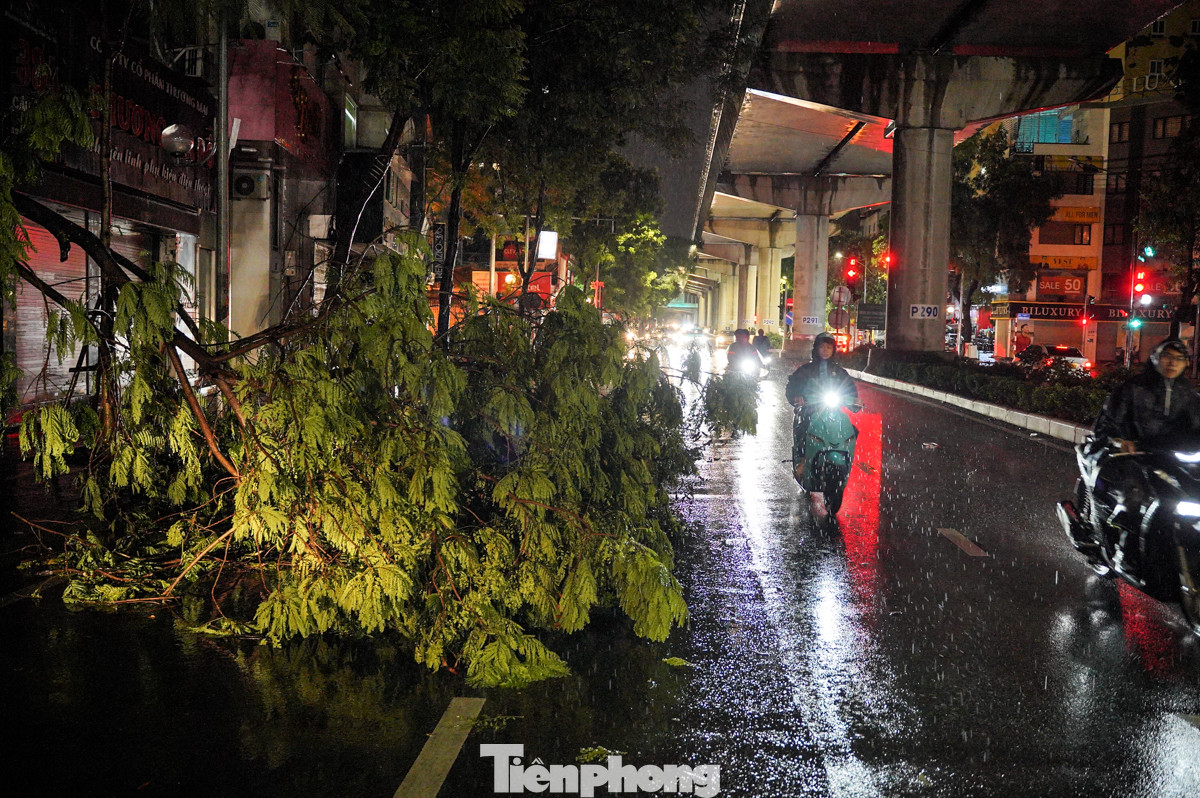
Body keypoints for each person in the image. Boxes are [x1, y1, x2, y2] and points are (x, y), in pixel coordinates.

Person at [786, 331, 859, 517]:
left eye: (828, 347)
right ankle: (802, 463)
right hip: (811, 411)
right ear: (816, 349)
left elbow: (850, 391)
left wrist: (855, 402)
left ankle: (844, 461)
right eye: (821, 347)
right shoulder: (806, 370)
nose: (825, 350)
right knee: (804, 431)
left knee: (852, 431)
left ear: (833, 350)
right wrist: (797, 397)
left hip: (833, 412)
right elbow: (792, 386)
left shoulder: (840, 372)